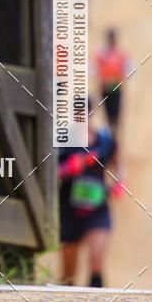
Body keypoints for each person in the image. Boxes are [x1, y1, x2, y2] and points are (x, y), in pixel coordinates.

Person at [57, 105, 117, 287]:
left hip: (98, 210)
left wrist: (120, 182)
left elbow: (118, 162)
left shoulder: (105, 141)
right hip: (69, 211)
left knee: (97, 262)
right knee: (68, 274)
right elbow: (50, 172)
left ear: (92, 113)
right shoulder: (64, 142)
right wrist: (67, 169)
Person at [92, 28, 133, 133]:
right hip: (105, 88)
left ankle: (115, 135)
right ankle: (110, 135)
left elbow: (127, 69)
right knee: (108, 115)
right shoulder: (101, 53)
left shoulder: (121, 53)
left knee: (116, 115)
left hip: (116, 88)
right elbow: (95, 69)